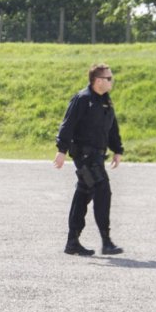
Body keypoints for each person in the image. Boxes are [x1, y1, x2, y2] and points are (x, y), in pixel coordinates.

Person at [54, 63, 124, 256]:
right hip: (84, 156)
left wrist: (117, 149)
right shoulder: (83, 99)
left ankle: (72, 242)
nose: (112, 81)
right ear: (98, 80)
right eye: (109, 78)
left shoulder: (105, 101)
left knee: (84, 193)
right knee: (102, 190)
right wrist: (61, 150)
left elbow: (112, 127)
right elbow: (67, 124)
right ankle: (106, 241)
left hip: (98, 156)